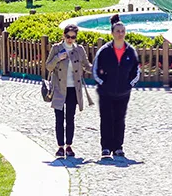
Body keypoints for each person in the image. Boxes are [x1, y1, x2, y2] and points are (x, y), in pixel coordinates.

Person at [92, 15, 141, 158]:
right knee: (106, 118)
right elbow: (95, 69)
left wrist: (129, 85)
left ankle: (118, 147)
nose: (120, 34)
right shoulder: (104, 51)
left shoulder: (130, 51)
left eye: (122, 31)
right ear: (112, 33)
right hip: (105, 92)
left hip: (123, 92)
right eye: (118, 31)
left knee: (120, 119)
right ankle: (106, 147)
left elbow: (136, 70)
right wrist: (103, 83)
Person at [45, 24, 92, 158]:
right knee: (59, 118)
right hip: (59, 88)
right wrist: (57, 58)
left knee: (70, 118)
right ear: (63, 36)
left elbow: (86, 65)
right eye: (68, 36)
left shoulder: (79, 50)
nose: (70, 39)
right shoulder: (56, 48)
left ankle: (69, 146)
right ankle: (60, 147)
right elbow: (48, 66)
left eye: (73, 37)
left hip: (73, 89)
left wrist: (98, 70)